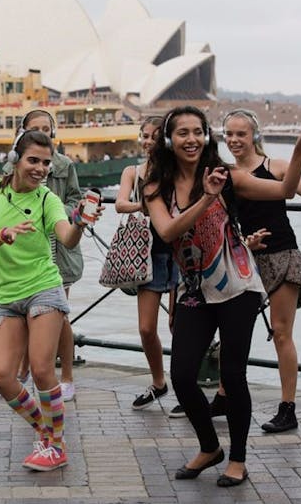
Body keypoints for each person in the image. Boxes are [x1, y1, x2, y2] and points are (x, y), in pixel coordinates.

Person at [143, 105, 301, 487]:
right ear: (169, 140)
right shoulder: (157, 187)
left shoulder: (228, 176)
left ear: (205, 137)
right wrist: (206, 199)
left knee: (233, 375)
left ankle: (237, 459)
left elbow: (285, 190)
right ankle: (210, 447)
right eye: (183, 133)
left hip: (239, 287)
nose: (191, 139)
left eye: (198, 131)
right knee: (183, 376)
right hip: (194, 292)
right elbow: (170, 232)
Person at [0, 129, 100, 472]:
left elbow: (67, 238)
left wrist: (82, 224)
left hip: (43, 288)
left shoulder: (47, 200)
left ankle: (55, 446)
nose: (41, 168)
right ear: (15, 159)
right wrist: (2, 235)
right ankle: (47, 432)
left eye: (46, 162)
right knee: (0, 375)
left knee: (42, 368)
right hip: (4, 295)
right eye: (33, 160)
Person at [220, 108, 301, 433]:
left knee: (281, 332)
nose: (235, 140)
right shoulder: (223, 175)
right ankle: (224, 395)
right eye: (230, 134)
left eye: (242, 134)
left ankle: (287, 408)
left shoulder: (275, 167)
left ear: (255, 136)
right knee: (231, 330)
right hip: (244, 259)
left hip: (282, 255)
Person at [3, 110, 84, 402]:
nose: (42, 133)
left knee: (57, 315)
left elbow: (76, 197)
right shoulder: (11, 166)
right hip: (25, 249)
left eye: (46, 129)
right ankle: (27, 368)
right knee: (26, 314)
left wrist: (55, 209)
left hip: (58, 249)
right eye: (35, 129)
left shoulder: (63, 165)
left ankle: (66, 375)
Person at [115, 117, 178, 412]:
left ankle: (188, 388)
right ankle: (158, 381)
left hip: (179, 249)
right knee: (145, 327)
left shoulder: (175, 170)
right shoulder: (134, 171)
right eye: (144, 136)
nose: (148, 141)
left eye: (154, 136)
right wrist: (148, 205)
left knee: (179, 324)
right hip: (147, 251)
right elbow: (119, 203)